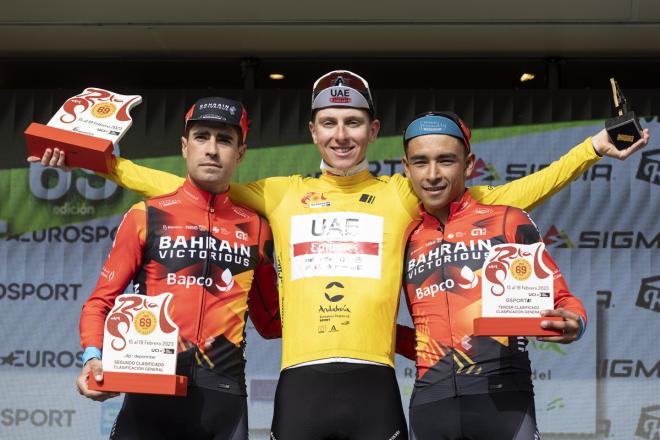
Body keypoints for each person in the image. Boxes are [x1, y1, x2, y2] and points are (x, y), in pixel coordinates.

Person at [34, 70, 648, 439]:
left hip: (375, 384)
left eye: (353, 122)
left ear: (371, 127)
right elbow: (184, 187)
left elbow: (510, 196)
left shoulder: (403, 190)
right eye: (329, 122)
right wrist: (95, 158)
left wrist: (592, 148)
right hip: (299, 386)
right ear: (312, 130)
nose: (341, 134)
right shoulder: (277, 194)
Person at [75, 97, 280, 440]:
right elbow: (99, 302)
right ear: (185, 147)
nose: (212, 149)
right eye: (202, 137)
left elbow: (271, 322)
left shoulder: (258, 229)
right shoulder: (147, 214)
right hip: (149, 395)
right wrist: (92, 358)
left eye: (225, 139)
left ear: (240, 152)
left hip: (224, 402)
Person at [396, 112, 587, 439]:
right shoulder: (404, 234)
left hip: (504, 400)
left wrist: (573, 321)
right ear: (405, 167)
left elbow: (562, 299)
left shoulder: (507, 221)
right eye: (420, 162)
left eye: (445, 161)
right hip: (431, 402)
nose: (432, 175)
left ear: (468, 164)